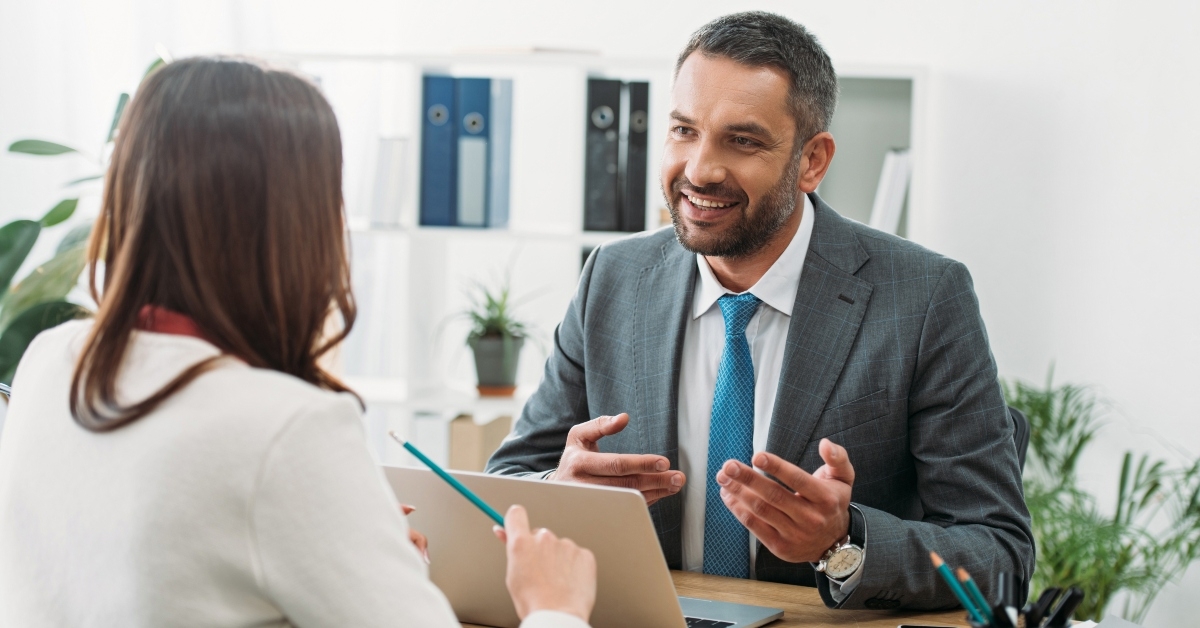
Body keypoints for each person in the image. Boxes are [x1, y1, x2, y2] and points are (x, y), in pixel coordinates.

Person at [0, 57, 595, 628]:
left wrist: (361, 556)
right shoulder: (286, 428)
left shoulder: (50, 362)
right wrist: (554, 606)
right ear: (297, 226)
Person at [488, 11, 1034, 611]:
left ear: (812, 161)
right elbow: (508, 482)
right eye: (683, 131)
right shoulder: (611, 279)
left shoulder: (925, 297)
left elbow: (999, 550)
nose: (699, 170)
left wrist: (844, 540)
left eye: (742, 140)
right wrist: (559, 491)